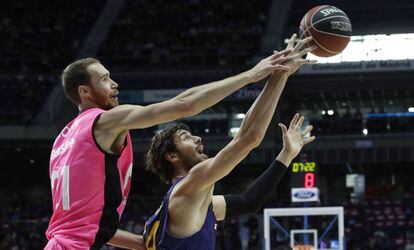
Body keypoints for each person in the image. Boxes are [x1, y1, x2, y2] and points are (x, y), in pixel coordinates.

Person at [44, 39, 298, 249]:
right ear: (84, 92)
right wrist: (256, 75)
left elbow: (249, 200)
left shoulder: (63, 139)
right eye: (104, 79)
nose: (114, 84)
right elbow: (187, 106)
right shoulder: (105, 122)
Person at [143, 34, 316, 249]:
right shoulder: (187, 188)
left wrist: (286, 155)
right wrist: (279, 76)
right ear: (172, 156)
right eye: (185, 138)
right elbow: (248, 138)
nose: (197, 138)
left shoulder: (190, 202)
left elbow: (248, 202)